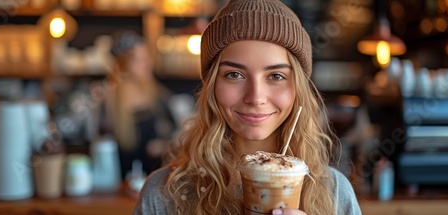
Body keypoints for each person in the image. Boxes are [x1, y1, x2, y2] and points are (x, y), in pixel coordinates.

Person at [134, 0, 362, 214]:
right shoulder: (163, 195)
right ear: (212, 84)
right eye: (234, 74)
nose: (256, 97)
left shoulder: (335, 192)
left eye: (276, 75)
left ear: (298, 88)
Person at [104, 30, 175, 177]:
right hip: (119, 182)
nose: (147, 63)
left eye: (147, 57)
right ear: (123, 64)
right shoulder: (108, 100)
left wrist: (164, 145)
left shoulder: (158, 94)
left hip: (155, 178)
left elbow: (176, 133)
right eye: (138, 59)